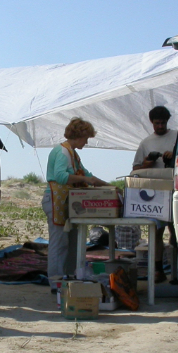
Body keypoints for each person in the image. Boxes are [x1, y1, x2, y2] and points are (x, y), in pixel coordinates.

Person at [42, 117, 111, 291]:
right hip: (56, 200)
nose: (86, 142)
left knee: (73, 241)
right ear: (79, 135)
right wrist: (85, 179)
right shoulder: (62, 152)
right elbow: (61, 176)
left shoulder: (73, 154)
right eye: (86, 138)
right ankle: (55, 281)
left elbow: (88, 175)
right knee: (59, 242)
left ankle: (70, 276)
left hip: (68, 202)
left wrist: (108, 186)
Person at [132, 105, 178, 283]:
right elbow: (135, 170)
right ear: (151, 122)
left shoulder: (177, 137)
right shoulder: (146, 143)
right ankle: (159, 270)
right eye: (157, 123)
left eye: (163, 123)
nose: (160, 126)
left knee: (175, 231)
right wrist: (147, 163)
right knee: (157, 231)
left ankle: (176, 270)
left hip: (175, 190)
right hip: (155, 193)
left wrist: (173, 157)